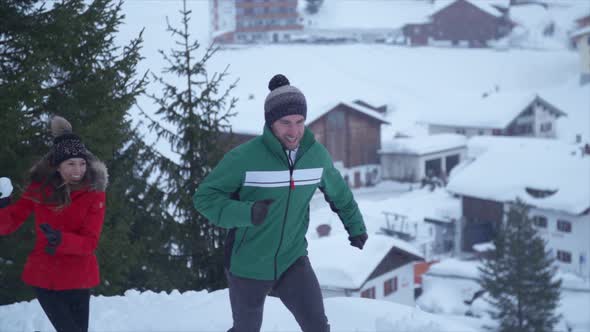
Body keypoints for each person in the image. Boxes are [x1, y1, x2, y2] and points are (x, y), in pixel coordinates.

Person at [193, 74, 368, 332]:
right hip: (248, 262)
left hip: (292, 259)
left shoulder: (316, 156)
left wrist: (356, 227)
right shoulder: (244, 158)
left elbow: (340, 194)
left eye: (299, 122)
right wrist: (247, 213)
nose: (294, 131)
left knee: (318, 327)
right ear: (270, 122)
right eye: (285, 122)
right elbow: (204, 198)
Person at [0, 116, 108, 332]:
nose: (78, 170)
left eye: (82, 163)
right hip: (45, 276)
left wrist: (61, 240)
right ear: (58, 167)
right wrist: (2, 205)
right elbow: (7, 225)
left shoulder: (94, 194)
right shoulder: (40, 189)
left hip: (79, 277)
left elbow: (90, 242)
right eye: (71, 164)